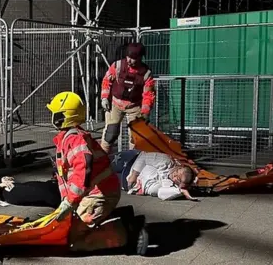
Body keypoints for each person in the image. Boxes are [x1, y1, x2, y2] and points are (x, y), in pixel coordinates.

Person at [47, 91, 148, 254]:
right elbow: (66, 175)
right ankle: (119, 217)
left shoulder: (74, 140)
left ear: (63, 117)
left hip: (100, 194)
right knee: (66, 227)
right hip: (95, 192)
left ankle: (129, 235)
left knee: (72, 241)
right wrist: (66, 202)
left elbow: (82, 170)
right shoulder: (68, 139)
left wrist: (70, 200)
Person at [100, 42, 156, 154]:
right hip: (115, 105)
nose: (129, 60)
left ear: (140, 58)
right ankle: (103, 158)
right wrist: (104, 98)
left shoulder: (146, 74)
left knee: (136, 138)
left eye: (133, 58)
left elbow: (148, 95)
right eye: (128, 57)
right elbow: (107, 81)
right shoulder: (118, 66)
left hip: (135, 107)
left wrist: (145, 113)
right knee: (110, 133)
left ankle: (133, 161)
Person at [125, 151, 198, 201]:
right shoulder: (166, 161)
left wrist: (181, 191)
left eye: (178, 178)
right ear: (179, 166)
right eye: (177, 171)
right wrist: (134, 175)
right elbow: (144, 156)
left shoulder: (170, 186)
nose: (174, 174)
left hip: (127, 184)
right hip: (130, 163)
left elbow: (161, 193)